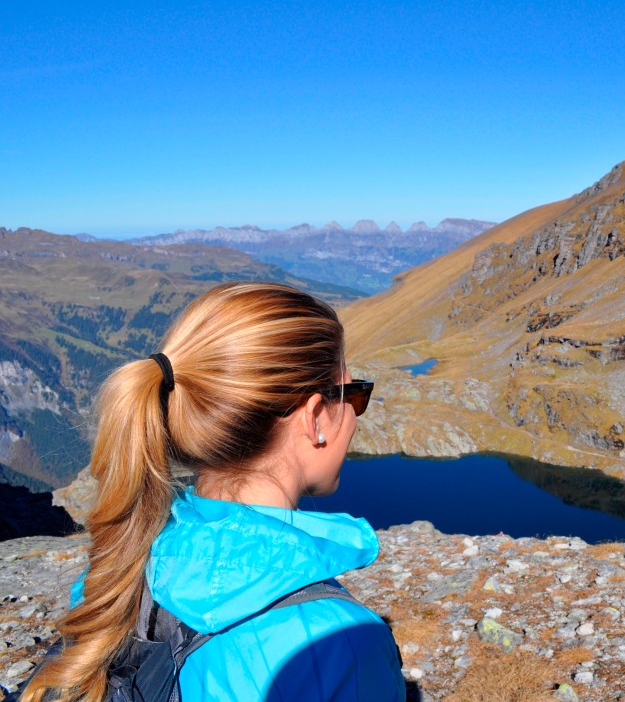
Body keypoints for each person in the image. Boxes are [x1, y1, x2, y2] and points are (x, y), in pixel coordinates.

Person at [23, 282, 403, 702]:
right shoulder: (342, 647)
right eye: (356, 394)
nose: (355, 416)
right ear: (314, 417)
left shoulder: (116, 573)